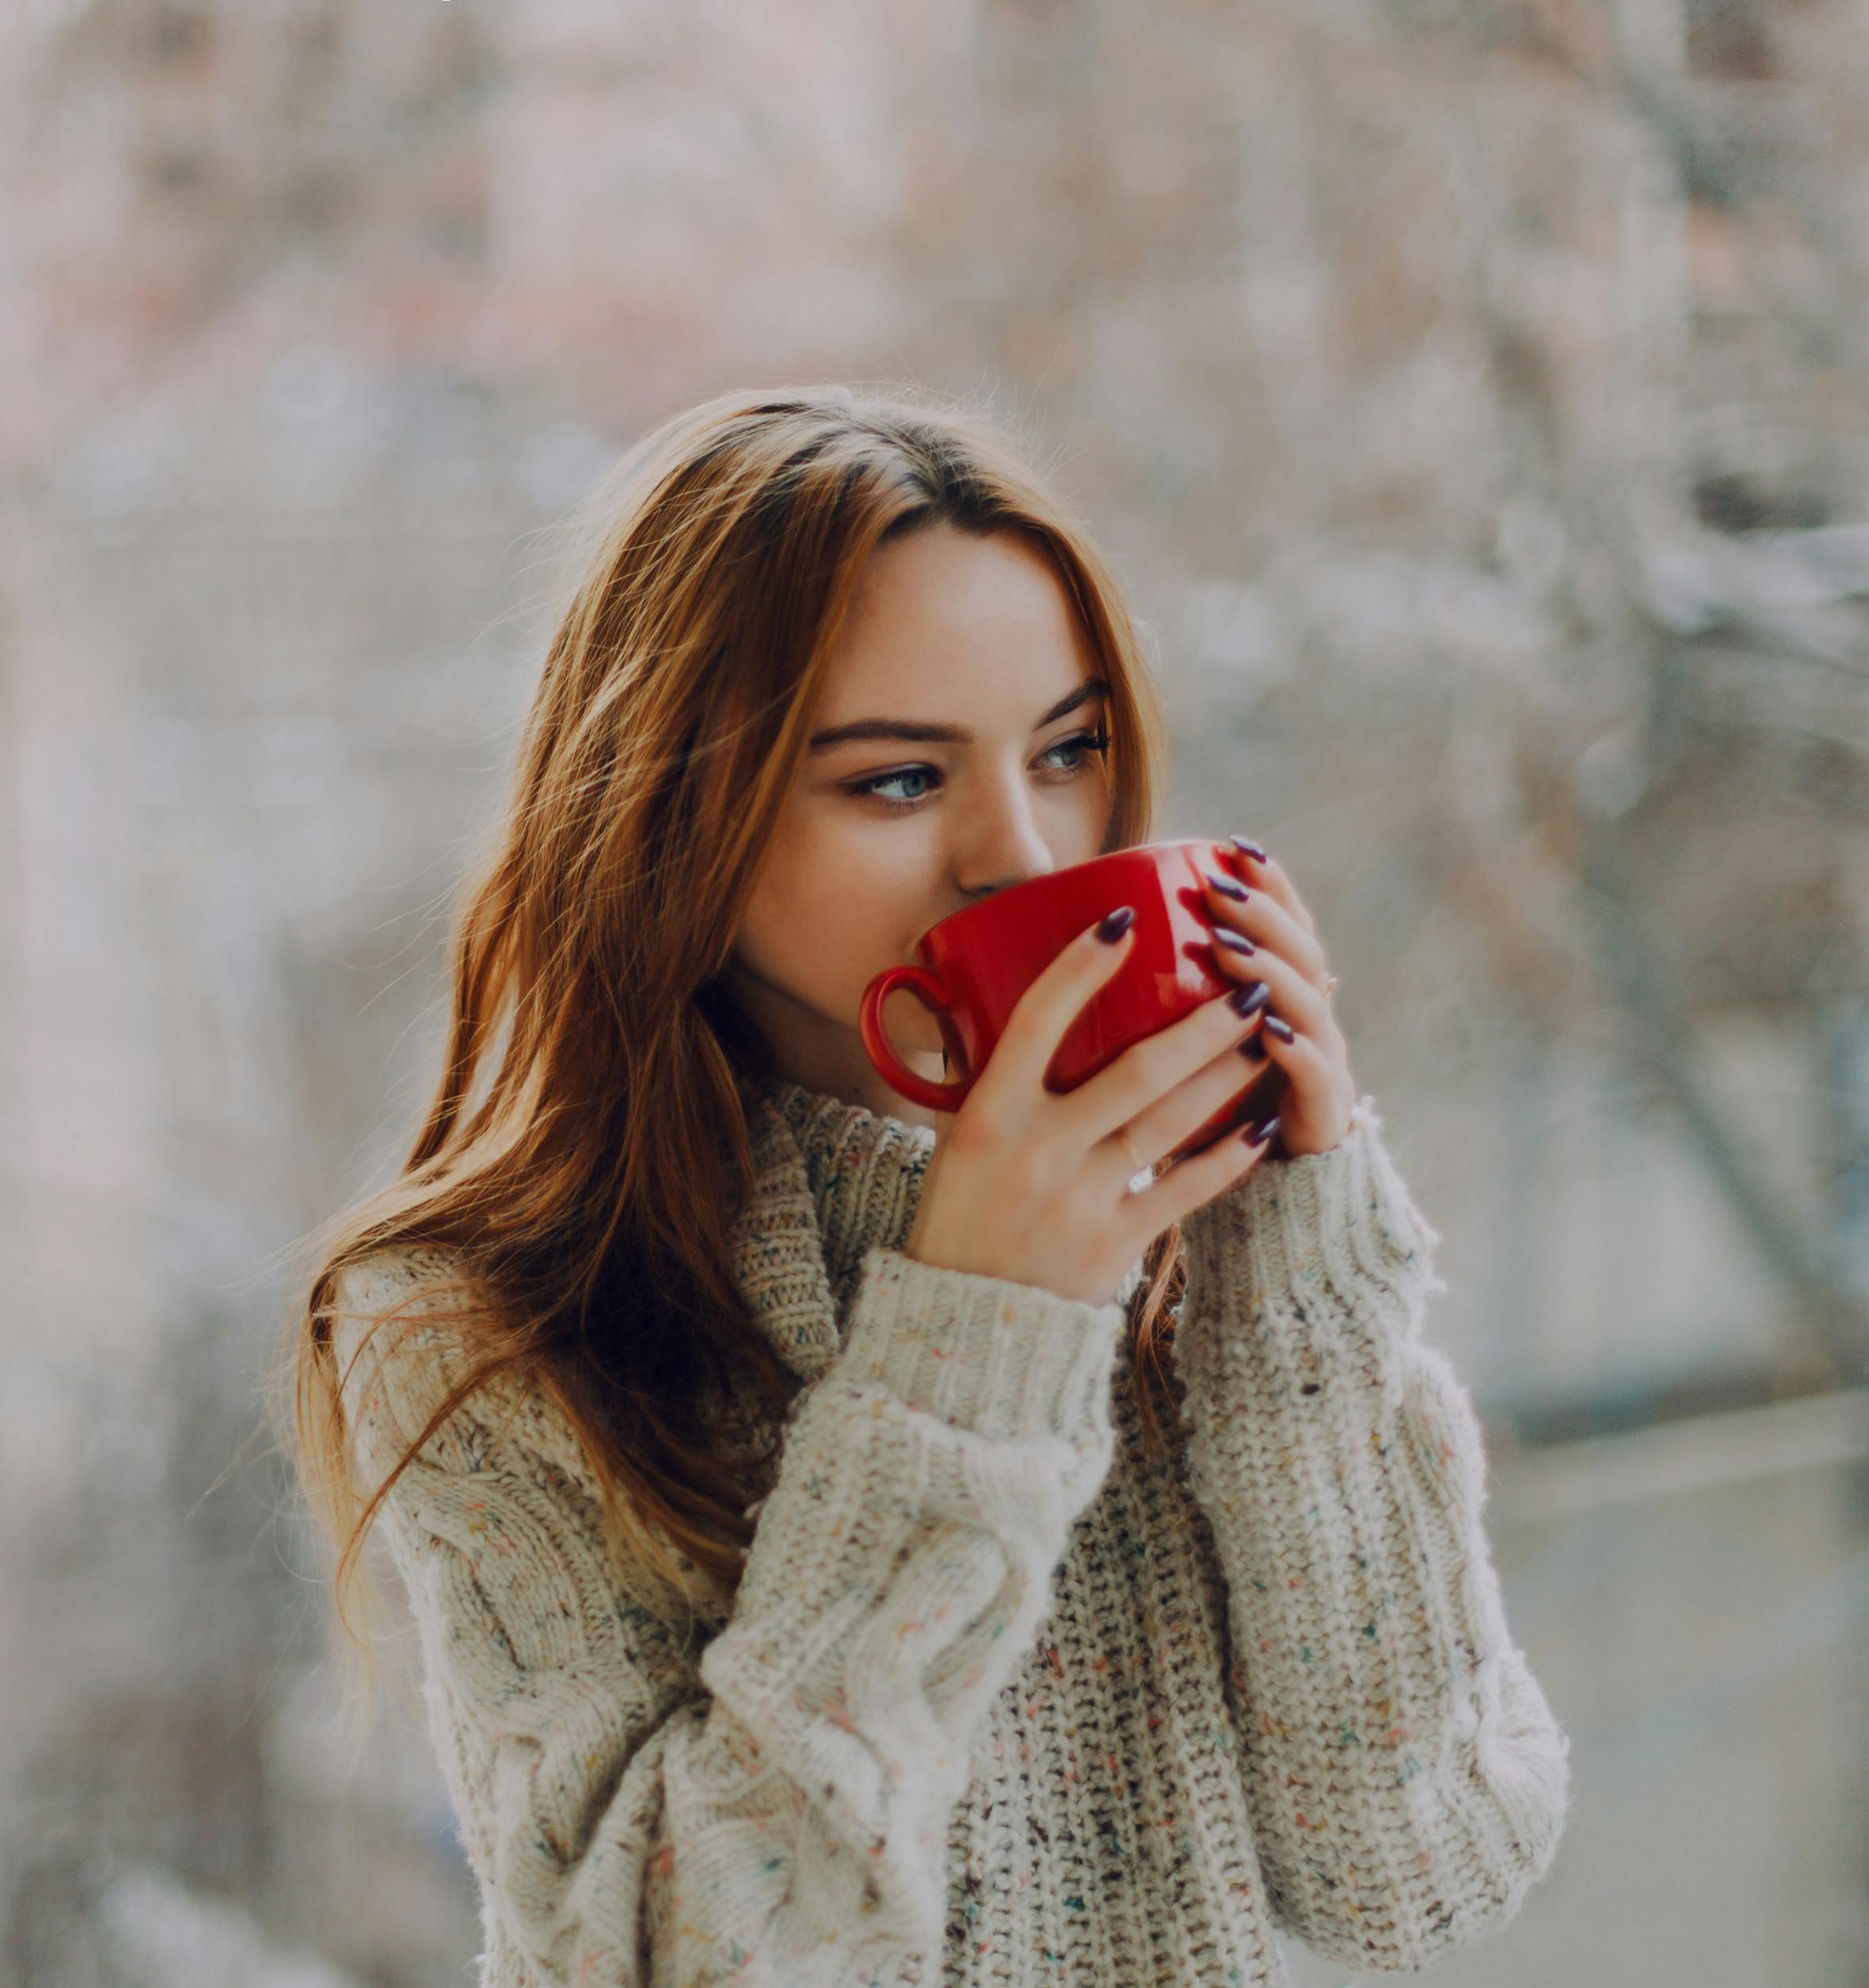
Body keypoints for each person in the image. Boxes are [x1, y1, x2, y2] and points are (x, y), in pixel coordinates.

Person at [276, 383, 1571, 1988]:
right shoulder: (475, 1317)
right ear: (679, 815)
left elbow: (1413, 1874)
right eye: (894, 779)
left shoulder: (1184, 1235)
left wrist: (1296, 1266)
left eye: (1069, 749)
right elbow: (669, 1958)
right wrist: (969, 1346)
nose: (1022, 857)